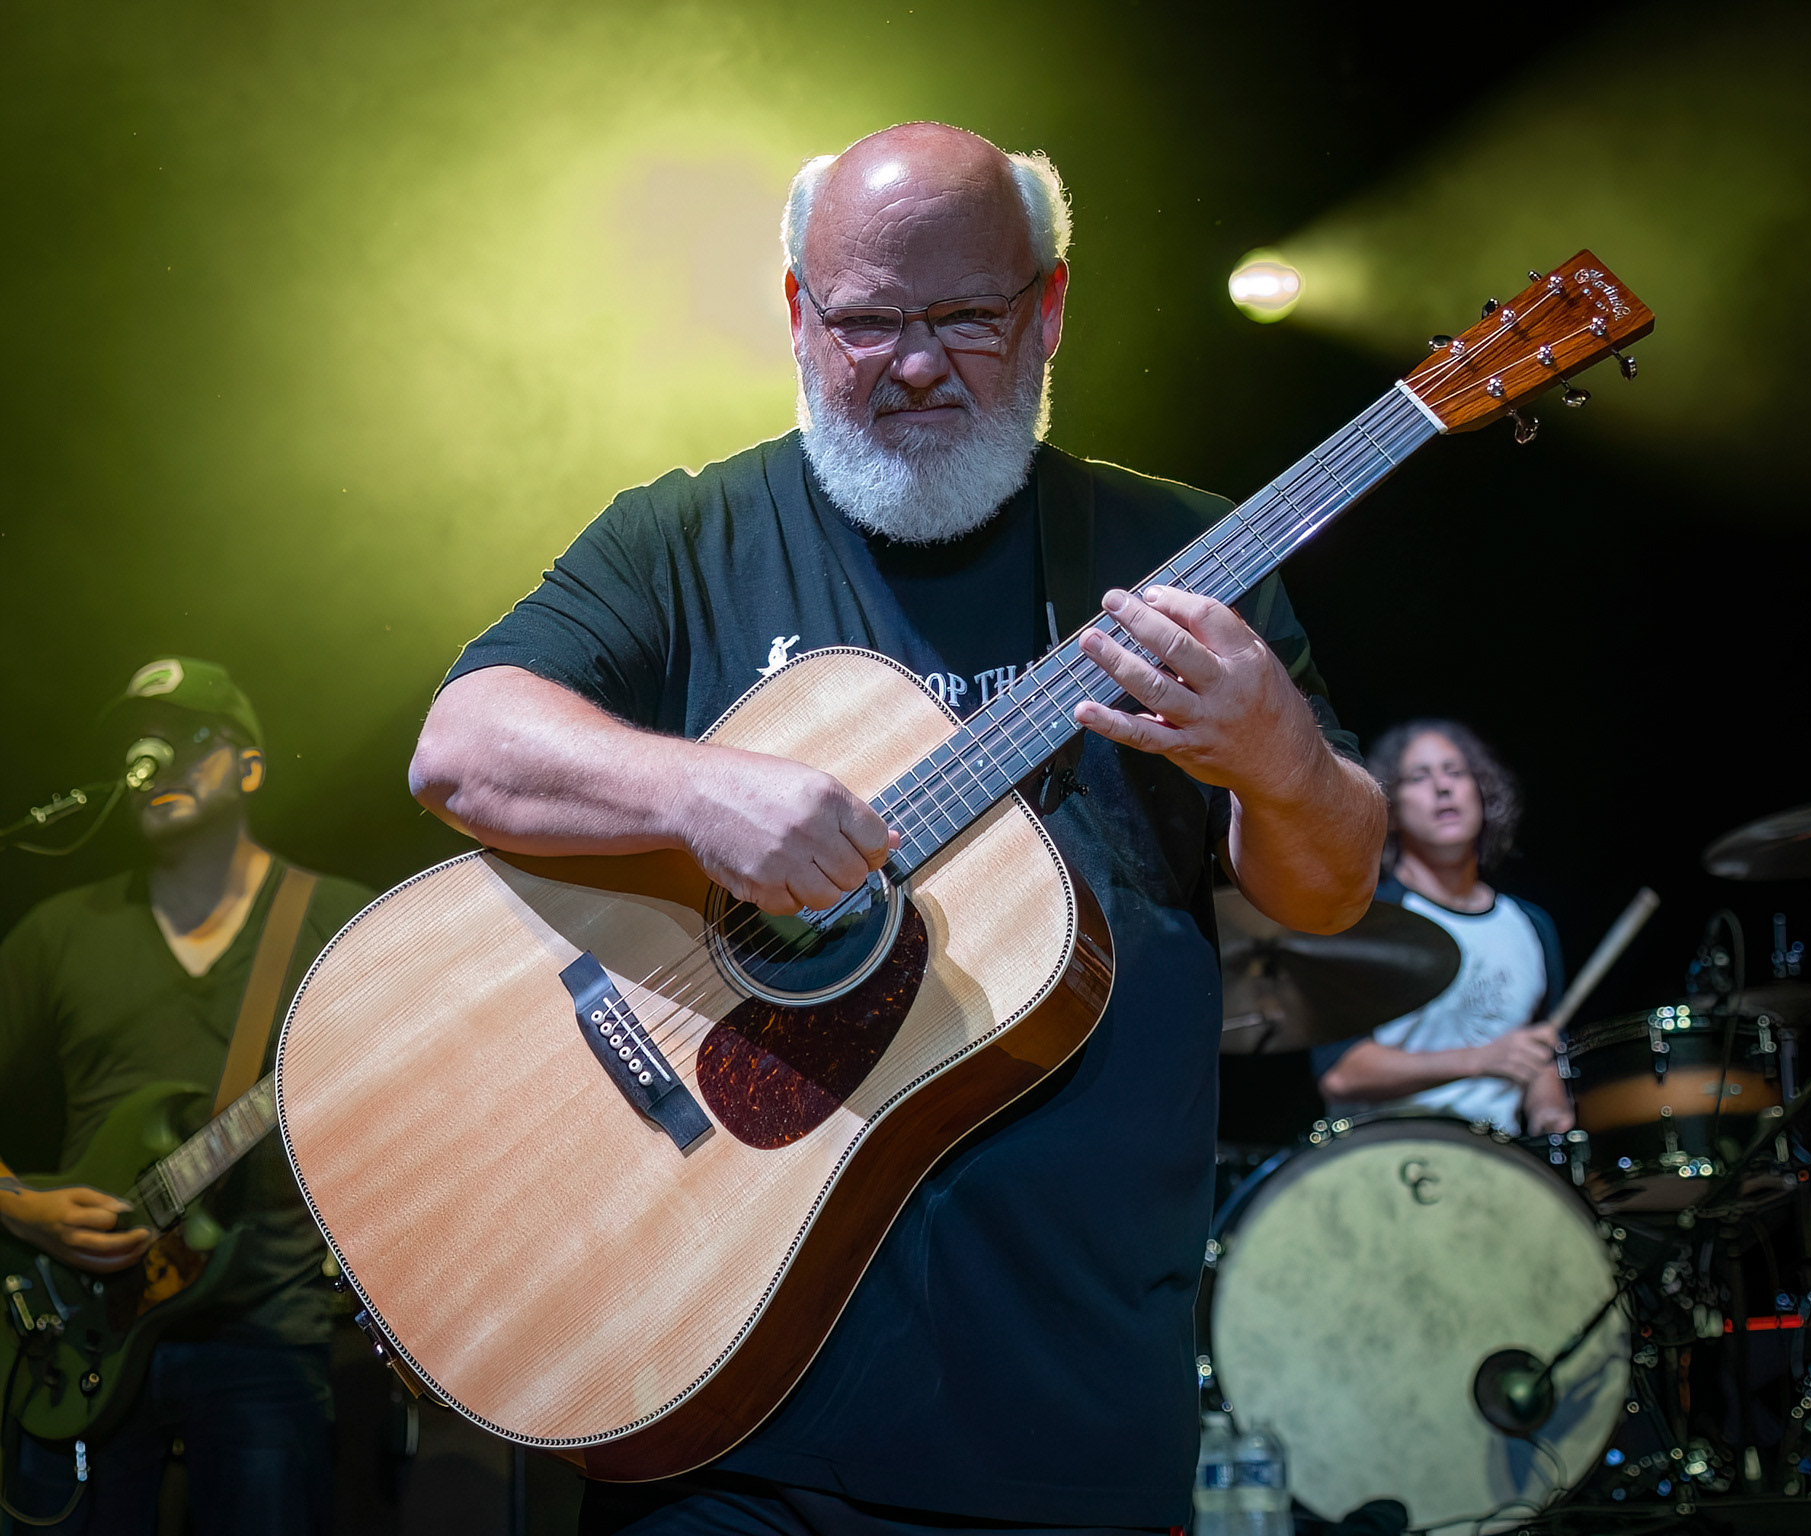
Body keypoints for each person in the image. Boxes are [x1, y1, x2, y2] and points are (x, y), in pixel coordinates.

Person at [408, 122, 1385, 1536]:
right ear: (800, 314)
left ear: (1048, 309)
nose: (916, 364)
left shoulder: (1178, 563)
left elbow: (1327, 895)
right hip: (718, 1394)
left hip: (1069, 1409)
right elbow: (463, 746)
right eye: (867, 321)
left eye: (968, 318)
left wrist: (1283, 760)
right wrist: (695, 792)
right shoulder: (683, 538)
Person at [0, 657, 373, 1535]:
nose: (155, 758)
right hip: (70, 1327)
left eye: (187, 741)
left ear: (249, 767)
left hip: (264, 1334)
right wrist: (20, 1209)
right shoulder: (60, 932)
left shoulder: (337, 924)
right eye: (141, 742)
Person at [1312, 720, 1571, 1136]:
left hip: (1500, 1159)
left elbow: (1538, 1054)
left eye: (1456, 772)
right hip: (1384, 1154)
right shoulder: (1367, 920)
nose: (1442, 788)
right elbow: (1341, 1073)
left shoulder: (1530, 926)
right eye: (1419, 776)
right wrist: (1481, 1059)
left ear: (1482, 793)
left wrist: (1551, 1115)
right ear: (1391, 808)